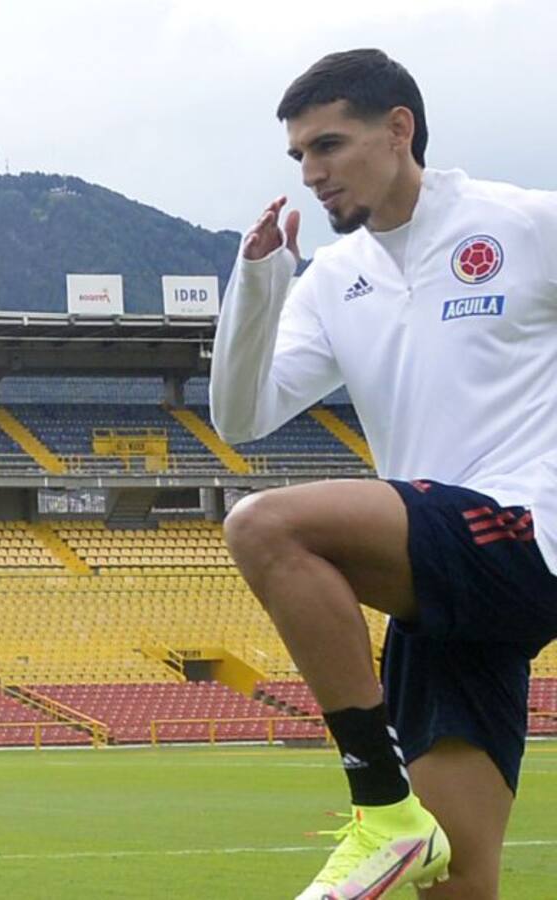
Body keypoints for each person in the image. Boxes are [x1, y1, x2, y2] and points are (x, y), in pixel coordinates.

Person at [210, 48, 557, 899]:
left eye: (329, 145)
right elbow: (241, 416)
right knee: (454, 877)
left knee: (265, 524)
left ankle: (375, 795)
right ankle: (400, 823)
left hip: (521, 528)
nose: (313, 172)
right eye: (299, 157)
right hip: (440, 586)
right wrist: (258, 285)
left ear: (399, 129)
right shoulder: (335, 280)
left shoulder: (525, 224)